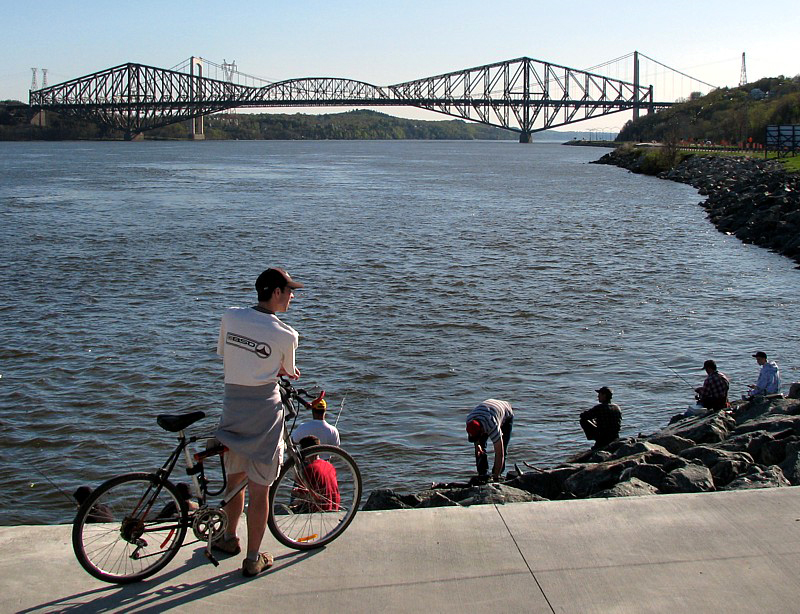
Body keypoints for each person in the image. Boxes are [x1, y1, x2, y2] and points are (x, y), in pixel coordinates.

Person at [213, 267, 302, 578]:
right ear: (275, 293)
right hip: (264, 417)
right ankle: (253, 558)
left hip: (232, 410)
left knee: (233, 479)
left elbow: (226, 354)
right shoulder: (287, 334)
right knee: (260, 490)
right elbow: (288, 371)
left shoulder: (230, 317)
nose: (292, 296)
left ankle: (228, 538)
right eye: (289, 290)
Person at [465, 400, 514, 481]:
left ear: (482, 431)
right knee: (479, 451)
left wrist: (495, 477)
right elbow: (475, 438)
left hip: (505, 412)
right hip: (487, 411)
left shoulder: (492, 425)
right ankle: (482, 474)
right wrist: (478, 445)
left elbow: (499, 454)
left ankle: (498, 474)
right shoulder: (469, 420)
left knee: (503, 448)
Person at [292, 435, 340, 512]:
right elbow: (320, 491)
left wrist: (296, 492)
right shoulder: (329, 465)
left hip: (320, 509)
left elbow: (305, 494)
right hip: (334, 507)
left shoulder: (309, 469)